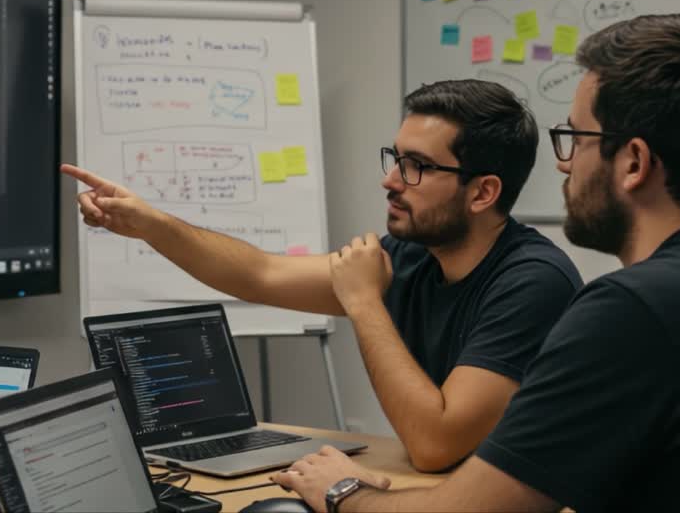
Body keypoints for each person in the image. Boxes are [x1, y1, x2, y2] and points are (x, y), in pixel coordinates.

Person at [273, 14, 680, 512]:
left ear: (634, 163)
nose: (563, 162)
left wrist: (343, 491)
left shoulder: (634, 312)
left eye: (575, 138)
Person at [63, 79, 580, 472]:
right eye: (395, 158)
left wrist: (363, 302)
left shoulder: (532, 283)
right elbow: (261, 275)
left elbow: (434, 444)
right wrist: (151, 225)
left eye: (416, 166)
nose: (390, 180)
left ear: (483, 192)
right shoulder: (412, 255)